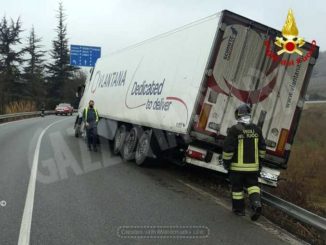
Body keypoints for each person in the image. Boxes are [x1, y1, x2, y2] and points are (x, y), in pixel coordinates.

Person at [222, 104, 266, 221]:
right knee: (253, 186)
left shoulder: (234, 130)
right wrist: (260, 162)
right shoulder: (257, 130)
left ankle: (239, 210)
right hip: (253, 168)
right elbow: (262, 148)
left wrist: (226, 162)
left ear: (238, 116)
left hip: (237, 168)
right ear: (249, 115)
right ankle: (256, 204)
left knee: (237, 188)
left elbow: (228, 149)